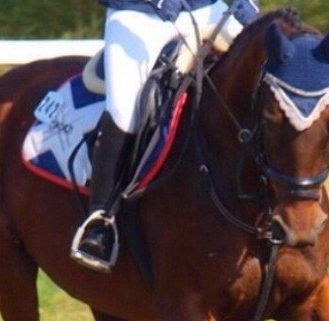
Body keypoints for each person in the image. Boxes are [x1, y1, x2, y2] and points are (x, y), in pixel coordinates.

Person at [71, 0, 260, 272]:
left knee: (271, 74)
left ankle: (298, 196)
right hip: (139, 16)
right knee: (126, 111)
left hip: (206, 8)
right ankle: (101, 219)